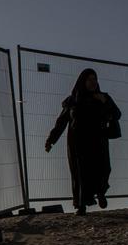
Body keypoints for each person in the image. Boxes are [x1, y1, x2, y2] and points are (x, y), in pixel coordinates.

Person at [45, 68, 122, 215]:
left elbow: (117, 114)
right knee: (80, 173)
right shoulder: (73, 100)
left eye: (95, 79)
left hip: (98, 140)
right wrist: (51, 139)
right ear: (82, 81)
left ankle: (100, 192)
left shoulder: (103, 97)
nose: (93, 82)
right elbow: (61, 122)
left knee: (103, 168)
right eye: (89, 79)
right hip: (78, 143)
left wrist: (105, 102)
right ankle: (81, 205)